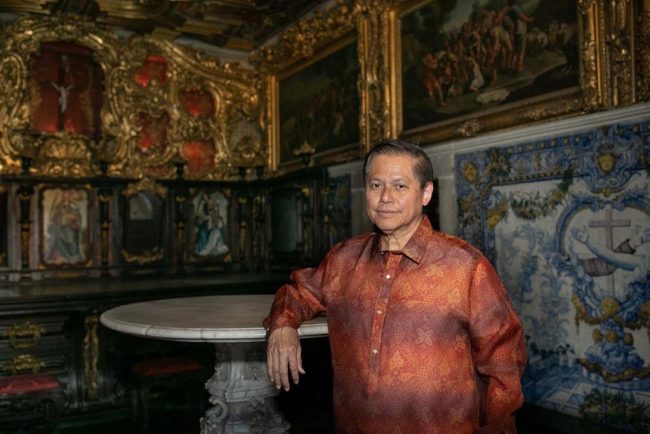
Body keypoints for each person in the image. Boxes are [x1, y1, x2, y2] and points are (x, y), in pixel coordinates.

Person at [264, 139, 527, 433]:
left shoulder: (466, 266)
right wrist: (283, 327)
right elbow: (297, 292)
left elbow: (503, 365)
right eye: (376, 185)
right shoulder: (343, 259)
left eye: (400, 186)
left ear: (426, 193)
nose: (385, 197)